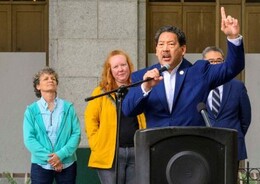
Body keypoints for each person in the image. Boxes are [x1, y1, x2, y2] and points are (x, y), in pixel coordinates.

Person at [122, 7, 245, 128]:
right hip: (157, 145)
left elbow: (232, 67)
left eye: (171, 44)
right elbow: (129, 110)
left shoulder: (200, 72)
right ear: (156, 50)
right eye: (161, 44)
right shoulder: (143, 77)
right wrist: (145, 87)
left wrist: (233, 37)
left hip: (191, 145)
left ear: (183, 49)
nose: (165, 48)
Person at [84, 50, 146, 184]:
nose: (120, 69)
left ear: (129, 66)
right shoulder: (101, 92)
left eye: (123, 65)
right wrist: (97, 145)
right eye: (116, 67)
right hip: (110, 155)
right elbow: (91, 120)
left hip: (136, 152)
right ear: (110, 71)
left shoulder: (139, 89)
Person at [23, 67, 81, 184]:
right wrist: (52, 160)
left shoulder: (68, 108)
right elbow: (29, 139)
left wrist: (61, 155)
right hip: (41, 165)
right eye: (46, 78)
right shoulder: (31, 111)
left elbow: (76, 134)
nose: (51, 80)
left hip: (67, 164)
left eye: (53, 78)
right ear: (38, 86)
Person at [202, 46, 251, 162]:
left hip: (231, 144)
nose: (215, 64)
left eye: (218, 61)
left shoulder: (238, 87)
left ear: (224, 63)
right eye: (210, 61)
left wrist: (235, 135)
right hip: (204, 144)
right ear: (203, 64)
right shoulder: (196, 86)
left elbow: (245, 119)